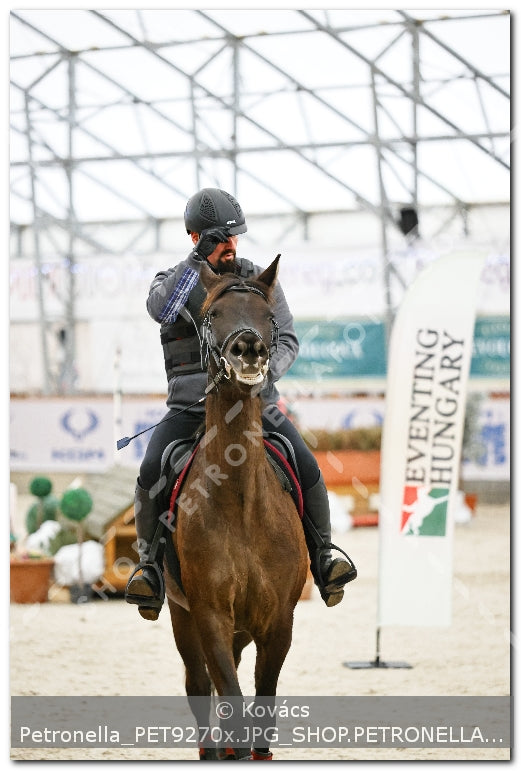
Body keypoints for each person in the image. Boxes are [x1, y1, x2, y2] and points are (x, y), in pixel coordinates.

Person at [125, 187, 357, 620]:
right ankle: (149, 570)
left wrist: (262, 375)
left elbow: (286, 338)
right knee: (151, 470)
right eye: (219, 238)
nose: (230, 246)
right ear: (196, 237)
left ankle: (325, 557)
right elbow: (162, 310)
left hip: (253, 405)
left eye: (234, 237)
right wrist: (198, 261)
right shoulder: (172, 281)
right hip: (190, 409)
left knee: (304, 462)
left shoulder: (258, 280)